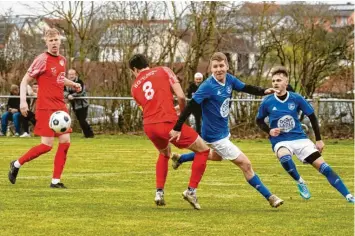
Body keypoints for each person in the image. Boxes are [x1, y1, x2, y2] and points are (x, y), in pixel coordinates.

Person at [169, 52, 284, 208]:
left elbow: (245, 87)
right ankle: (271, 197)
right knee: (246, 164)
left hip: (223, 132)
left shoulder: (229, 80)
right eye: (215, 67)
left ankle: (181, 159)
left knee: (216, 157)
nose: (219, 69)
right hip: (215, 136)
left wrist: (263, 91)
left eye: (221, 66)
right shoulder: (208, 86)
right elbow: (190, 106)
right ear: (210, 69)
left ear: (227, 66)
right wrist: (177, 127)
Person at [255, 66, 354, 203]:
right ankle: (300, 181)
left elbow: (312, 117)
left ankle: (349, 196)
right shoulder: (267, 101)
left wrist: (318, 140)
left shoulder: (296, 98)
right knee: (284, 157)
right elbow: (259, 120)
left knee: (325, 167)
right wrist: (269, 130)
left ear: (286, 82)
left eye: (279, 80)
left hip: (300, 139)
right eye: (273, 81)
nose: (275, 83)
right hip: (280, 141)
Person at [129, 54, 210, 210]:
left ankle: (159, 192)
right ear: (148, 63)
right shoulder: (163, 70)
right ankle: (191, 190)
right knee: (203, 150)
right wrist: (180, 116)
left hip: (149, 126)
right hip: (168, 122)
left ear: (134, 69)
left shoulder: (134, 87)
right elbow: (180, 95)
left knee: (164, 154)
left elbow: (144, 107)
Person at [8, 28, 82, 188]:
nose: (54, 43)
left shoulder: (62, 60)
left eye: (56, 40)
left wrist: (73, 84)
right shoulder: (42, 59)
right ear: (46, 42)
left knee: (65, 141)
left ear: (60, 40)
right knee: (46, 146)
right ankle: (16, 164)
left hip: (60, 105)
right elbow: (24, 81)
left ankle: (55, 181)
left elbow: (59, 79)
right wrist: (23, 102)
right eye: (51, 41)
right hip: (45, 107)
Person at [64, 68, 94, 138]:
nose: (71, 76)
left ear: (75, 74)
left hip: (82, 104)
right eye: (70, 74)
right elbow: (64, 91)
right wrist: (68, 95)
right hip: (74, 104)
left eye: (73, 74)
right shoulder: (66, 83)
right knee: (80, 121)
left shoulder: (79, 82)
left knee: (82, 120)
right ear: (67, 75)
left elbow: (81, 92)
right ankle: (87, 134)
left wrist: (72, 95)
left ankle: (90, 134)